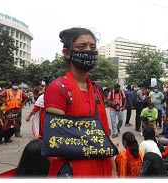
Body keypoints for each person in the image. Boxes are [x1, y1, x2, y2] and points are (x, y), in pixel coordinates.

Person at [44, 27, 114, 177]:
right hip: (72, 171)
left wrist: (113, 172)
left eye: (92, 47)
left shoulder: (96, 90)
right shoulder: (59, 88)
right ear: (67, 53)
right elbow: (56, 139)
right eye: (82, 47)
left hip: (102, 166)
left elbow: (103, 134)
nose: (88, 50)